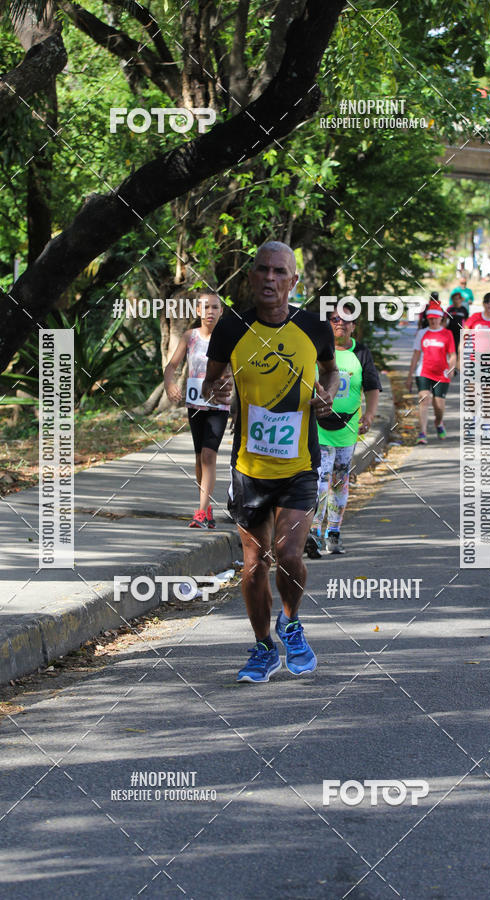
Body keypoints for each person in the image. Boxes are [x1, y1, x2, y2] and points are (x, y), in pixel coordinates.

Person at [202, 241, 339, 683]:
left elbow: (331, 370)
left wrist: (329, 392)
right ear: (251, 276)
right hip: (249, 468)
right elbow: (209, 383)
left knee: (290, 555)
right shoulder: (231, 328)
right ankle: (263, 647)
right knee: (254, 563)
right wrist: (218, 390)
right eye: (262, 269)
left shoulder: (314, 328)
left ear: (293, 281)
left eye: (280, 272)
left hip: (299, 464)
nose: (270, 278)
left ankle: (291, 623)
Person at [305, 304, 381, 558]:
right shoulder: (318, 348)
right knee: (320, 480)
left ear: (354, 325)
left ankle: (333, 534)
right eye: (335, 318)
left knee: (339, 481)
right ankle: (314, 534)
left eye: (346, 319)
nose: (340, 323)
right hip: (319, 426)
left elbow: (372, 386)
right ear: (328, 323)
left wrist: (369, 415)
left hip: (348, 428)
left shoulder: (361, 352)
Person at [164, 293, 230, 528]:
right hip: (195, 405)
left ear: (221, 311)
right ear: (198, 311)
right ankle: (206, 506)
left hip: (218, 405)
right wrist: (170, 384)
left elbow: (239, 370)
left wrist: (229, 383)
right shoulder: (190, 337)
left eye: (215, 307)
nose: (210, 311)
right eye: (206, 307)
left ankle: (201, 512)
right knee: (199, 457)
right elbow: (171, 366)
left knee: (209, 455)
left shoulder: (227, 338)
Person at [406, 300, 456, 444]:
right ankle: (422, 433)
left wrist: (452, 367)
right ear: (427, 319)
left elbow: (452, 354)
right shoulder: (422, 333)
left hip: (441, 373)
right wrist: (409, 376)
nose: (433, 321)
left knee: (439, 405)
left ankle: (438, 422)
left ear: (441, 318)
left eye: (436, 318)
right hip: (424, 371)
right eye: (431, 318)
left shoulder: (447, 334)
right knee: (424, 399)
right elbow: (416, 355)